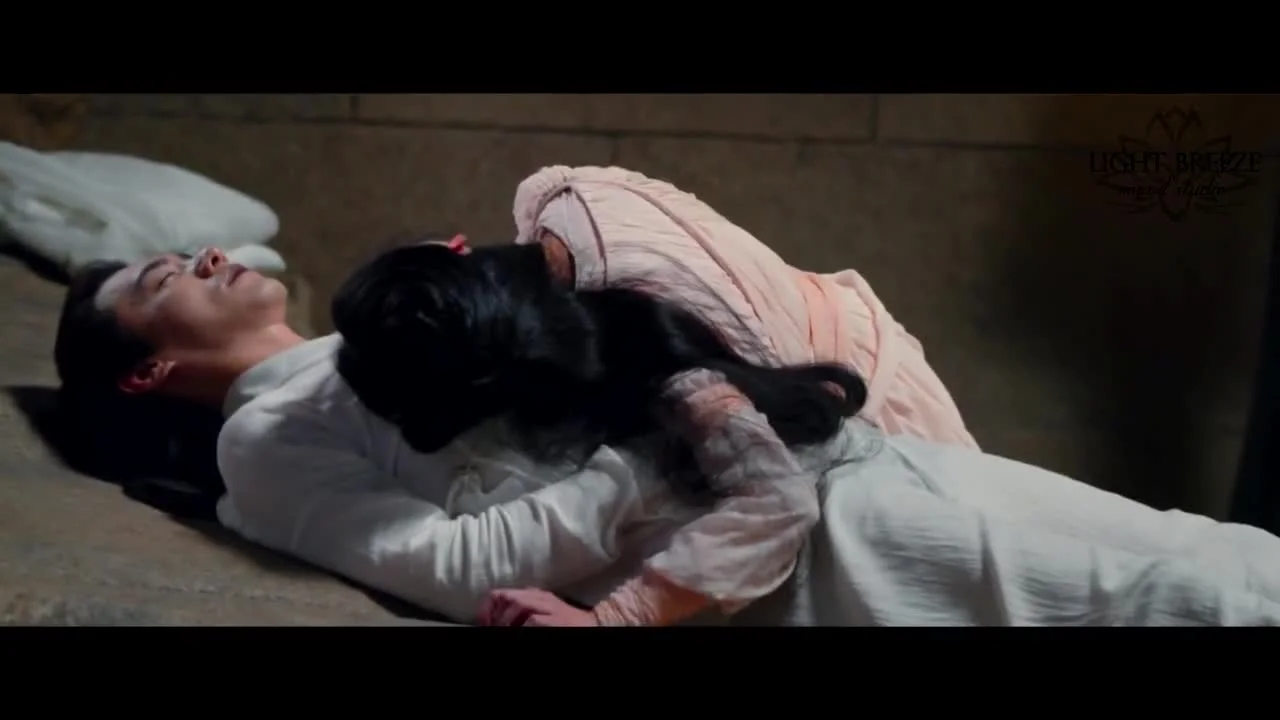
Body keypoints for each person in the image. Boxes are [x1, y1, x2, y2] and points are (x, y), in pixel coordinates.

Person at [333, 238, 1280, 627]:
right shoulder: (529, 436)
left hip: (870, 527)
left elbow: (775, 500)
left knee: (1172, 577)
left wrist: (614, 620)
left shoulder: (658, 375)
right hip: (865, 528)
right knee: (1157, 583)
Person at [512, 165, 979, 449]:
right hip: (843, 350)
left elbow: (764, 361)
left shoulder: (577, 238)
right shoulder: (565, 201)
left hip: (847, 387)